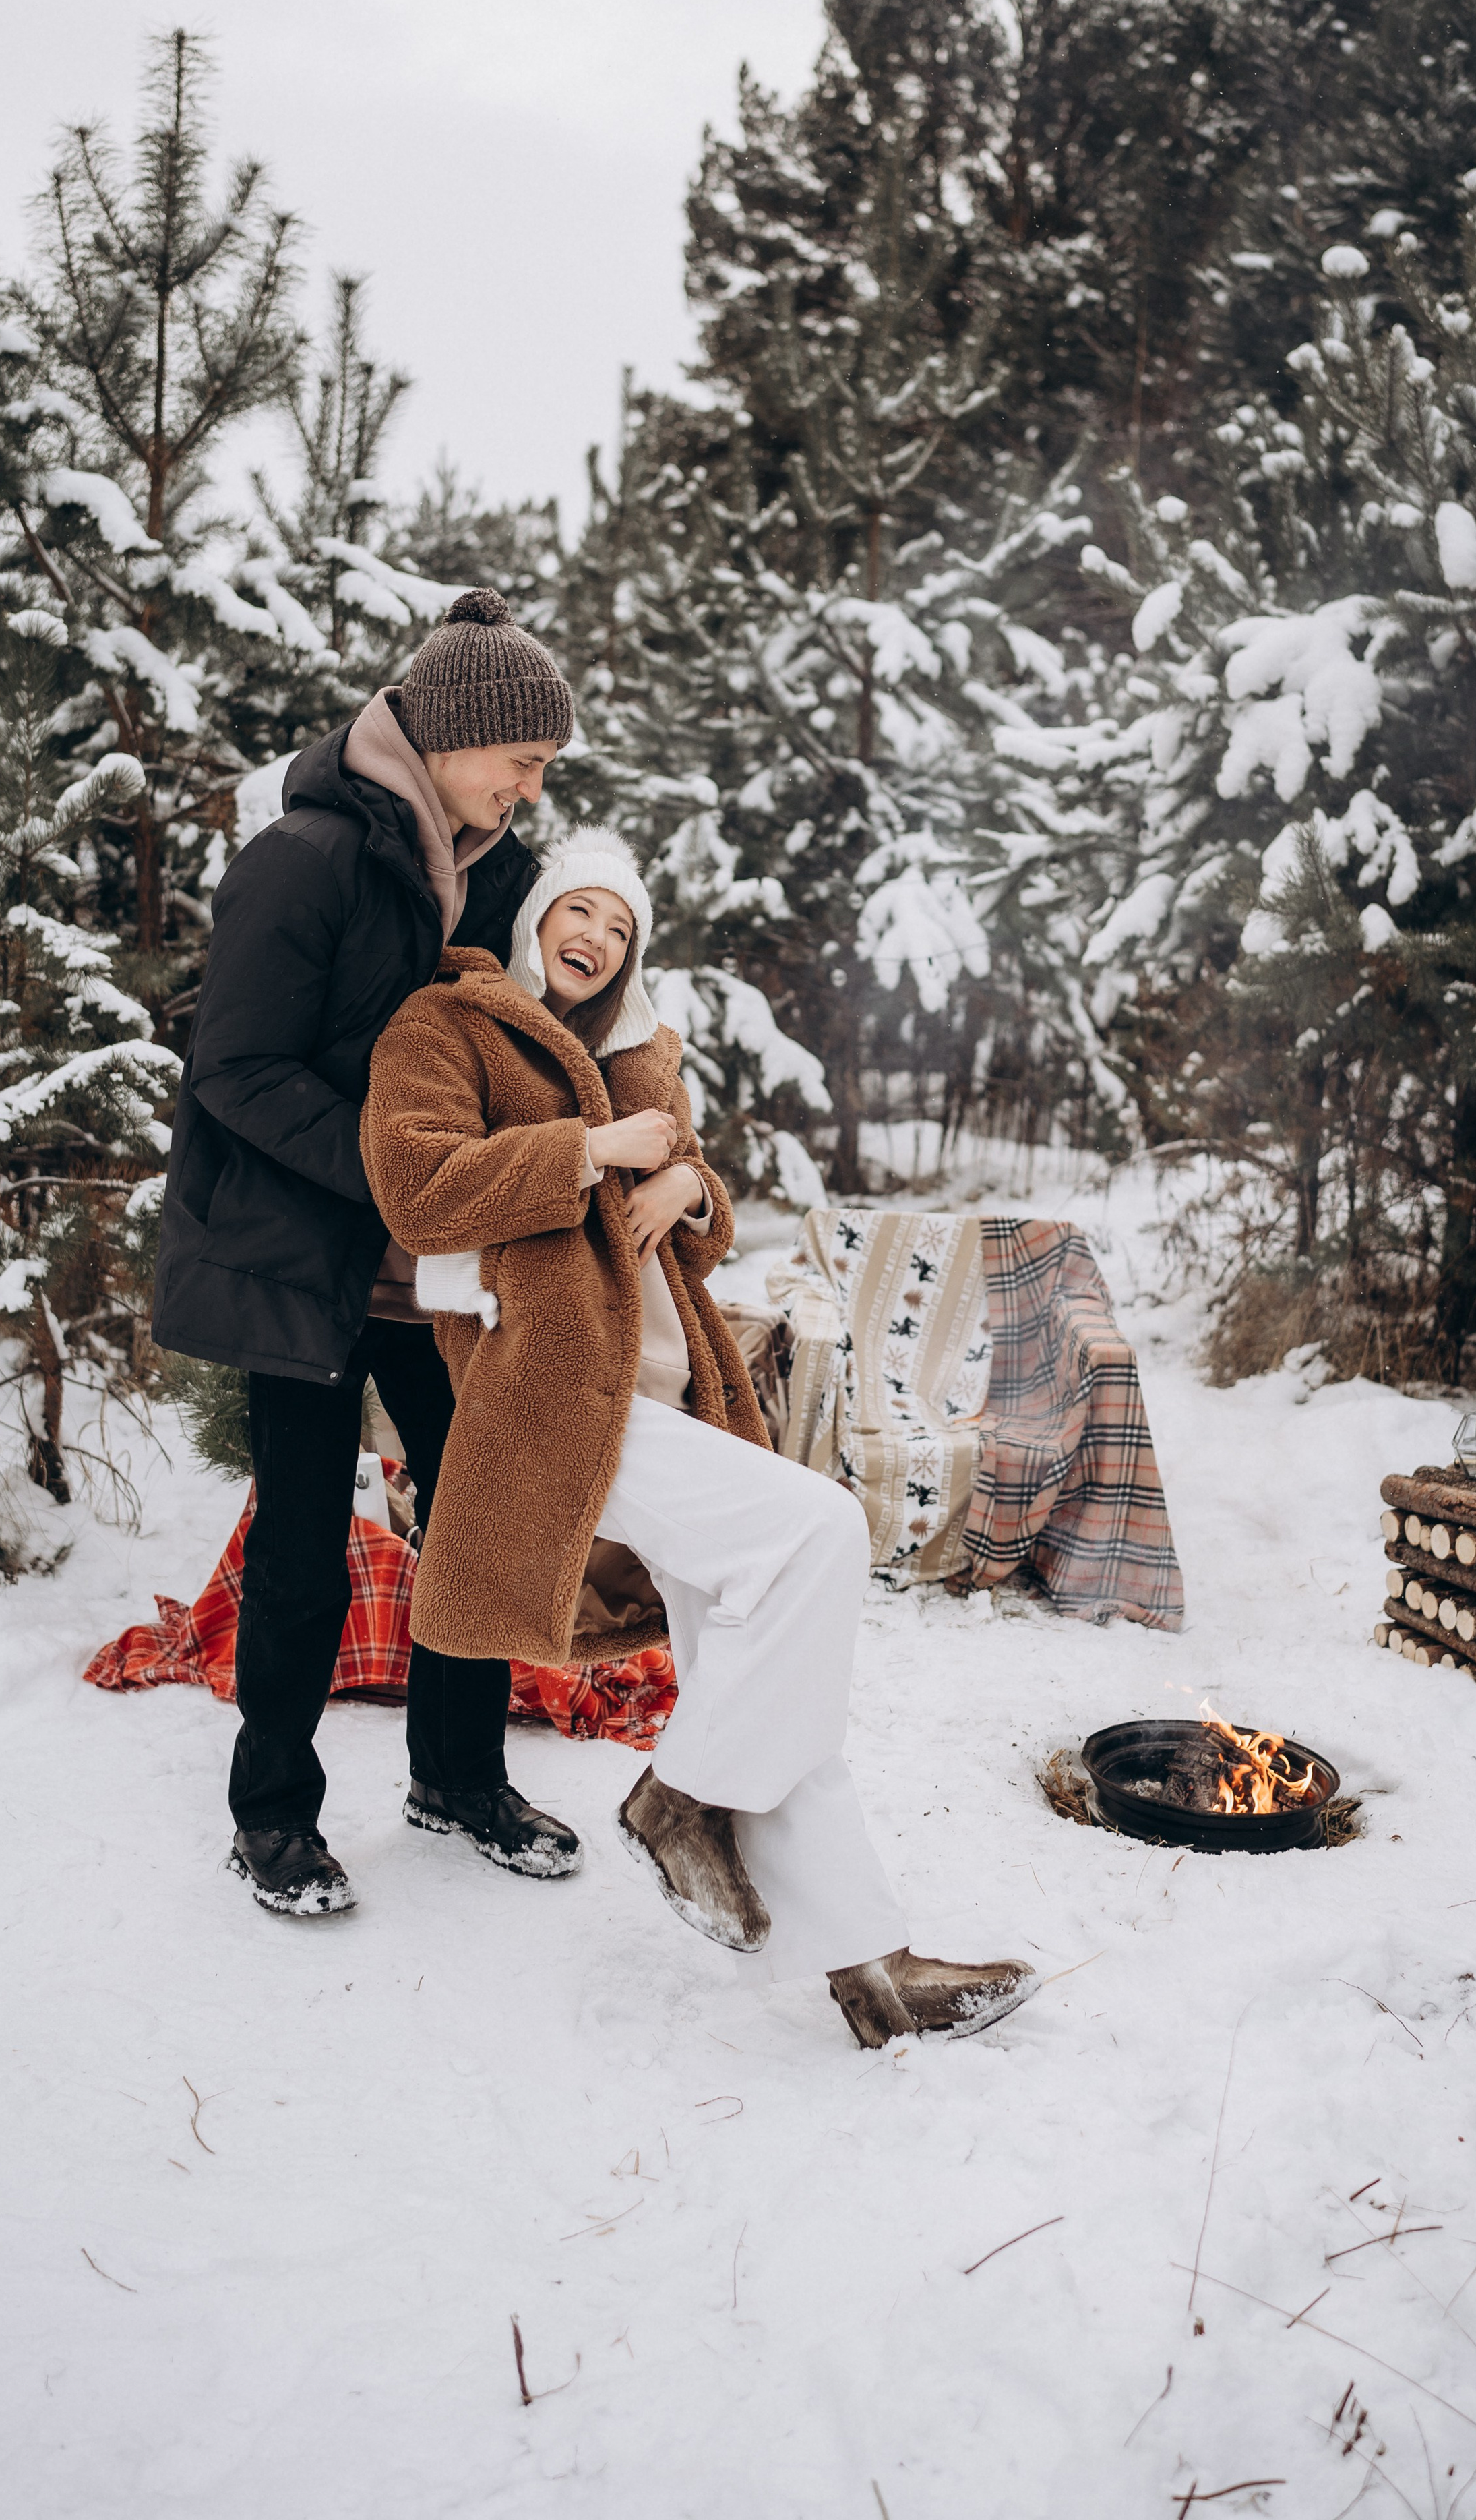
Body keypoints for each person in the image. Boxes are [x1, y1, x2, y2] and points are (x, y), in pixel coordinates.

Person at [360, 829, 1040, 2048]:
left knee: (768, 1675)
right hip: (556, 1401)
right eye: (582, 911)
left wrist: (695, 1191)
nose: (599, 939)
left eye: (623, 930)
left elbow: (680, 1230)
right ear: (534, 921)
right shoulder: (447, 1026)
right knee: (822, 1532)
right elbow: (416, 1192)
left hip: (677, 1390)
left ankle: (871, 1974)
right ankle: (681, 1801)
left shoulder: (636, 1057)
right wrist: (596, 1152)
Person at [152, 589, 583, 1916]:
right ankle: (273, 1814)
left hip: (435, 1267)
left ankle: (454, 1778)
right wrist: (396, 1173)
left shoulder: (487, 863)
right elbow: (233, 1067)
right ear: (448, 733)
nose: (529, 784)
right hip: (305, 1251)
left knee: (473, 1516)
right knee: (299, 1542)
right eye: (518, 758)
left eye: (542, 768)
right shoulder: (308, 856)